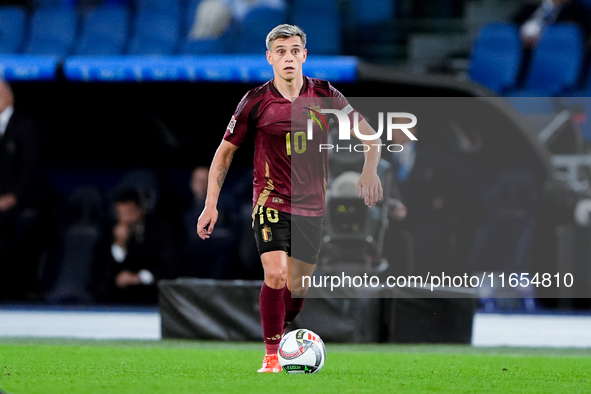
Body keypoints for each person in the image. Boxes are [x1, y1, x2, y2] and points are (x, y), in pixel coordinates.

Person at [196, 24, 383, 373]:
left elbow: (370, 137)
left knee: (298, 285)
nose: (288, 57)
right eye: (281, 51)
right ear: (270, 58)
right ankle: (270, 357)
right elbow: (224, 154)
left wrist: (369, 171)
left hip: (312, 206)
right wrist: (211, 204)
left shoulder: (325, 95)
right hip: (270, 201)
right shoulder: (255, 101)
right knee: (276, 274)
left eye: (295, 50)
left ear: (304, 56)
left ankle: (281, 332)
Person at [94, 187, 180, 305]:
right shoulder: (110, 230)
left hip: (152, 291)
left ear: (141, 210)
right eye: (120, 213)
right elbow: (106, 270)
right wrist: (120, 243)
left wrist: (138, 278)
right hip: (119, 295)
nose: (126, 219)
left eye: (129, 212)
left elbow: (170, 265)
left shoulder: (160, 229)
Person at [0, 80, 45, 301]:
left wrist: (14, 197)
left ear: (9, 98)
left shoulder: (24, 125)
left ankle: (10, 290)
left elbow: (31, 167)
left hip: (20, 200)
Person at [513, 0, 591, 49]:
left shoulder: (578, 13)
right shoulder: (529, 8)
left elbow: (583, 40)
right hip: (520, 52)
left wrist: (545, 40)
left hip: (553, 56)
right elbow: (509, 30)